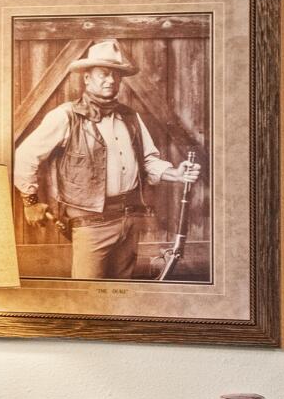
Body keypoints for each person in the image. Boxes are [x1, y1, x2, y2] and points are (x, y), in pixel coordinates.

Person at [12, 40, 202, 278]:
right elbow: (25, 156)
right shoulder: (65, 116)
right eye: (103, 74)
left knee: (123, 295)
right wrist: (30, 202)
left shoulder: (130, 116)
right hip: (90, 225)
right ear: (87, 78)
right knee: (88, 297)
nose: (111, 81)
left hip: (130, 220)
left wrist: (175, 173)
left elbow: (148, 159)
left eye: (116, 76)